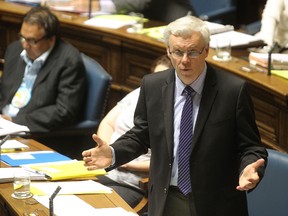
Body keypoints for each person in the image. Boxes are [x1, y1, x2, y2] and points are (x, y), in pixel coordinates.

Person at [82, 15, 268, 216]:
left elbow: (251, 147)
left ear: (206, 50)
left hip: (215, 204)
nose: (185, 61)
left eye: (193, 52)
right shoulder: (152, 85)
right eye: (178, 52)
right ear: (168, 51)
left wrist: (249, 168)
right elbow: (140, 135)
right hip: (166, 199)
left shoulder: (233, 91)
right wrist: (113, 153)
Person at [95, 55, 173, 208]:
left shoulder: (175, 111)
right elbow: (108, 123)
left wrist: (126, 162)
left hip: (131, 184)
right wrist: (109, 151)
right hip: (104, 170)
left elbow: (170, 163)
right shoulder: (139, 93)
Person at [0, 6, 86, 132]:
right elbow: (2, 90)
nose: (25, 45)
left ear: (51, 39)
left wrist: (15, 121)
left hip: (30, 130)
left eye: (32, 40)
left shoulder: (69, 61)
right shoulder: (14, 50)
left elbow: (64, 111)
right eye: (22, 37)